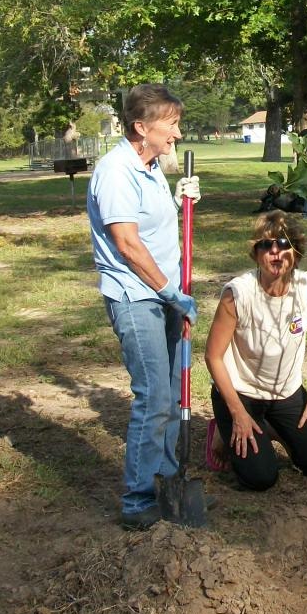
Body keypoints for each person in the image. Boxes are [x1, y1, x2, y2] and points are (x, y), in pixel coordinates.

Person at [87, 84, 202, 531]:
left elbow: (148, 223)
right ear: (140, 127)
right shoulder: (116, 171)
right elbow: (127, 243)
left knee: (172, 393)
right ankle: (137, 498)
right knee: (153, 396)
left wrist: (177, 200)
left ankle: (169, 478)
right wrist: (168, 291)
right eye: (169, 123)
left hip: (165, 294)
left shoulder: (148, 166)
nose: (177, 132)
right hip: (138, 298)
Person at [204, 211, 307, 490]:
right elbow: (213, 356)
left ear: (296, 251)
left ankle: (273, 427)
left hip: (285, 393)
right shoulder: (237, 295)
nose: (275, 252)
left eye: (284, 244)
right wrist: (237, 413)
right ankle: (222, 427)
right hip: (244, 393)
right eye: (266, 245)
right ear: (256, 253)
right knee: (261, 478)